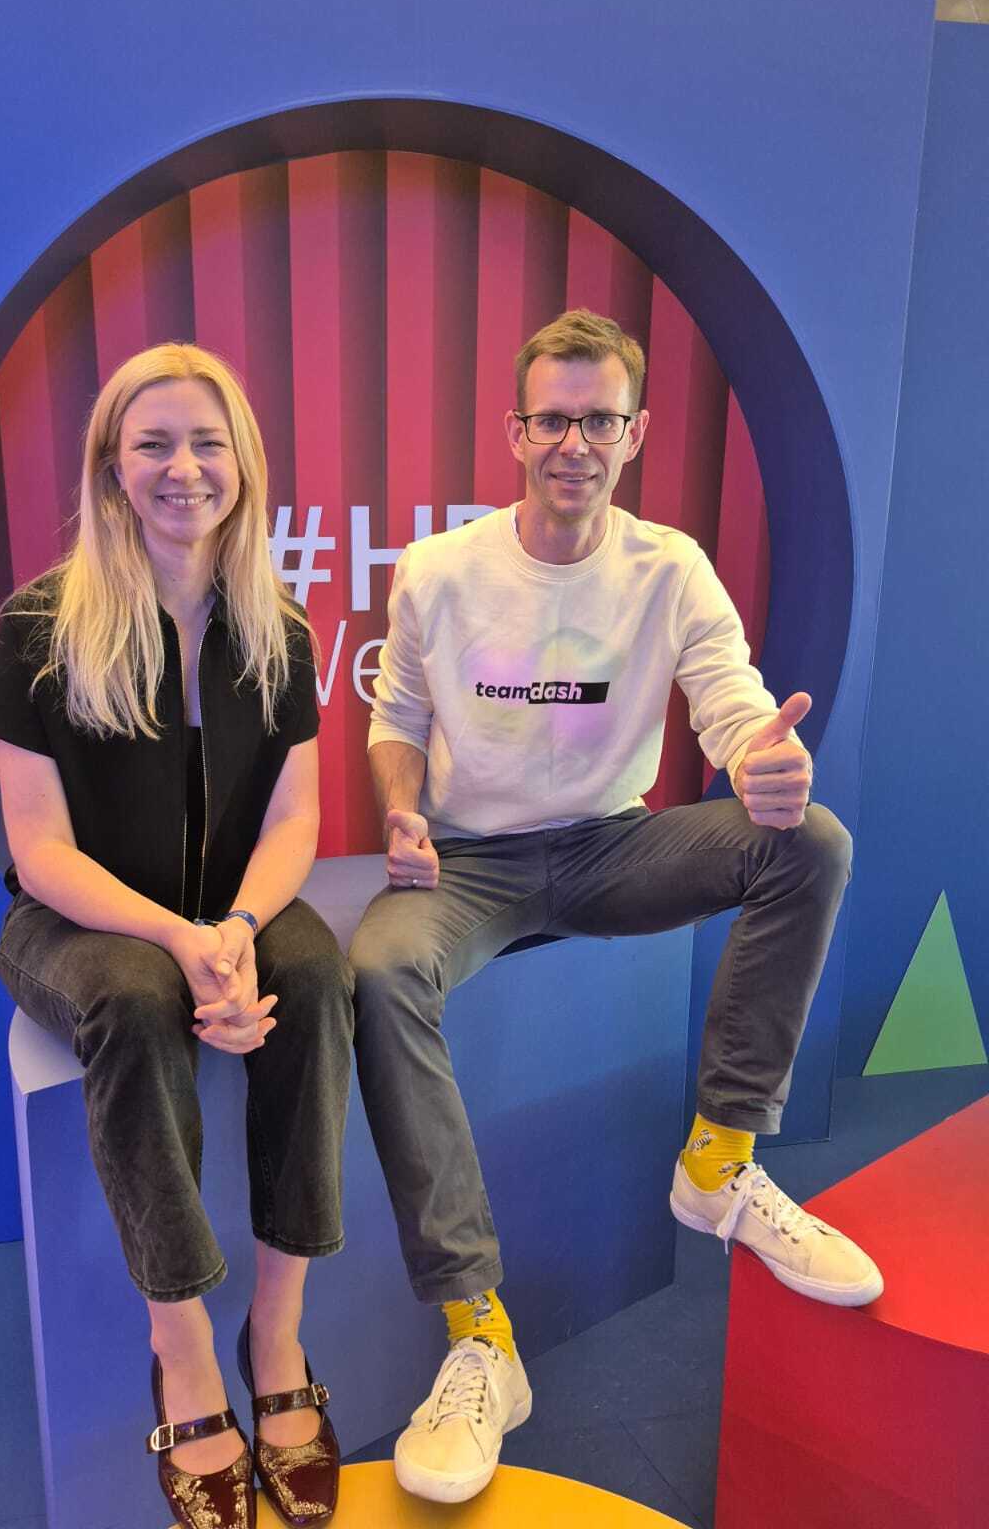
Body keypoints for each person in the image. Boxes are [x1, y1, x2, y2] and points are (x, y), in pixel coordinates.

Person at [349, 308, 878, 1505]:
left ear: (634, 434)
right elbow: (398, 718)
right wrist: (402, 810)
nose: (573, 443)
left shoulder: (669, 567)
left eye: (599, 421)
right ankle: (479, 1332)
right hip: (473, 864)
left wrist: (762, 760)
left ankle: (720, 1160)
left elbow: (730, 699)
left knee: (813, 843)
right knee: (379, 968)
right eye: (553, 419)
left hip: (613, 844)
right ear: (514, 430)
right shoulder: (439, 571)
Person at [0, 343, 352, 1529]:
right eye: (153, 444)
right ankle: (182, 1350)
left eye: (206, 442)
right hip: (77, 922)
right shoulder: (40, 626)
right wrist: (183, 944)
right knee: (134, 995)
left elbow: (296, 820)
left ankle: (276, 1330)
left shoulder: (278, 626)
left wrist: (234, 927)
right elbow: (41, 851)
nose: (184, 468)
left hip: (223, 910)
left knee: (316, 971)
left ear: (243, 462)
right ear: (111, 469)